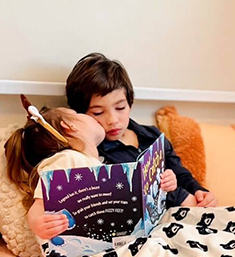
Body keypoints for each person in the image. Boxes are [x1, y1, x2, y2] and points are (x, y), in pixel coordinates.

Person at [66, 53, 217, 209]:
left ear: (130, 103)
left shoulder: (153, 137)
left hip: (186, 213)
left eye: (120, 108)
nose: (112, 120)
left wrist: (200, 192)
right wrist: (176, 193)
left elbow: (180, 173)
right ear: (81, 115)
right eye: (98, 112)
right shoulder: (93, 153)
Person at [5, 104, 171, 241]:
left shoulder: (100, 166)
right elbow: (40, 205)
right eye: (78, 113)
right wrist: (38, 223)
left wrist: (162, 183)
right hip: (84, 254)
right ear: (69, 126)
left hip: (119, 241)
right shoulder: (67, 160)